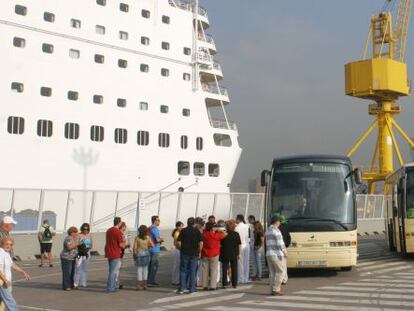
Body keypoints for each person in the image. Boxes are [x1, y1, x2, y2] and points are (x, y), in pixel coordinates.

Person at [0, 237, 31, 311]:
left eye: (10, 245)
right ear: (2, 244)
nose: (9, 246)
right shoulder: (1, 253)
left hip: (6, 282)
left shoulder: (6, 253)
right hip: (3, 282)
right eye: (6, 244)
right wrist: (5, 280)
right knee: (11, 302)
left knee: (2, 303)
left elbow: (13, 265)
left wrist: (23, 272)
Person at [176, 217, 203, 294]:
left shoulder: (183, 230)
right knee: (193, 270)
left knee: (183, 270)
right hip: (194, 253)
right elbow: (201, 243)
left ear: (187, 223)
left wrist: (181, 249)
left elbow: (178, 242)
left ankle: (182, 288)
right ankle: (192, 289)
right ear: (194, 223)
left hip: (184, 253)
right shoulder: (197, 231)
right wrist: (199, 251)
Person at [265, 216, 287, 296]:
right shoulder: (276, 230)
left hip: (268, 253)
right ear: (277, 222)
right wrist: (285, 251)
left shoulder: (267, 230)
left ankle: (272, 290)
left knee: (272, 273)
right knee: (281, 271)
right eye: (279, 221)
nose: (280, 223)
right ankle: (276, 289)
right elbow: (280, 242)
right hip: (276, 253)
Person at [201, 222, 227, 290]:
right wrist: (218, 230)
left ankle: (205, 285)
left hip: (205, 253)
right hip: (214, 254)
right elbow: (225, 234)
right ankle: (213, 286)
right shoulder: (216, 235)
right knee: (214, 270)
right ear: (212, 228)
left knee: (205, 270)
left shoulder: (204, 235)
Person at [104, 217, 125, 293]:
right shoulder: (118, 232)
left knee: (111, 271)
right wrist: (125, 243)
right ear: (119, 223)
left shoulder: (108, 230)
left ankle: (110, 286)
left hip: (109, 252)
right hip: (115, 252)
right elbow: (121, 244)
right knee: (113, 272)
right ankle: (111, 288)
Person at [220, 220, 241, 289]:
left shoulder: (223, 234)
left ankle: (224, 283)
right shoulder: (236, 234)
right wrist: (239, 253)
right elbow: (239, 245)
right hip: (234, 253)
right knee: (234, 268)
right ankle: (234, 283)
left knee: (224, 268)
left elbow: (220, 244)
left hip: (225, 252)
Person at [133, 225, 154, 290]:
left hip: (139, 254)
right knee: (145, 269)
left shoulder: (137, 238)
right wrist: (148, 246)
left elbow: (134, 248)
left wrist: (134, 254)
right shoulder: (147, 237)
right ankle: (145, 285)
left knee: (139, 270)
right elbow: (152, 245)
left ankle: (139, 285)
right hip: (146, 254)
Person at [60, 226, 80, 291]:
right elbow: (69, 247)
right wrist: (77, 244)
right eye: (75, 232)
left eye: (76, 232)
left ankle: (71, 285)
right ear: (71, 232)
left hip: (73, 257)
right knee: (67, 272)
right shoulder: (68, 238)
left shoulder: (75, 239)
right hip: (66, 258)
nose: (76, 233)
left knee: (72, 272)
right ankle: (66, 286)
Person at [74, 223, 93, 288]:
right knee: (78, 268)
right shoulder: (79, 235)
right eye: (84, 229)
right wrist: (81, 245)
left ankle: (84, 283)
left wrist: (89, 248)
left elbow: (91, 245)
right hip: (80, 253)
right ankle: (76, 283)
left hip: (87, 253)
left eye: (87, 229)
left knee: (85, 269)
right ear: (82, 229)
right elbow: (76, 244)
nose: (86, 230)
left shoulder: (89, 236)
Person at [148, 215, 164, 287]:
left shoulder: (149, 228)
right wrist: (162, 239)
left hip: (149, 249)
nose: (159, 221)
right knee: (154, 265)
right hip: (155, 249)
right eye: (158, 220)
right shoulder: (155, 229)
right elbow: (157, 240)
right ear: (154, 221)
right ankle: (151, 281)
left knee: (149, 265)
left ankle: (148, 280)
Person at [235, 214, 250, 284]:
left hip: (240, 245)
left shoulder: (237, 227)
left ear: (238, 219)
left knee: (240, 263)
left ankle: (241, 278)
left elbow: (237, 238)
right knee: (246, 262)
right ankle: (246, 278)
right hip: (247, 245)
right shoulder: (247, 226)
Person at [171, 221, 184, 286]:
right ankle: (175, 280)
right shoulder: (177, 233)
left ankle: (176, 280)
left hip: (178, 250)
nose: (181, 227)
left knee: (178, 265)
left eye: (182, 226)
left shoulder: (179, 232)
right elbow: (177, 243)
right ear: (177, 227)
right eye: (180, 226)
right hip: (178, 250)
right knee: (177, 265)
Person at [118, 222, 129, 289]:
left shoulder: (122, 234)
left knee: (118, 269)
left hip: (121, 253)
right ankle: (117, 283)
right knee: (117, 269)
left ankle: (118, 282)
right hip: (119, 253)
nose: (125, 228)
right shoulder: (120, 234)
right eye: (125, 226)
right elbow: (122, 245)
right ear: (122, 227)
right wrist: (126, 245)